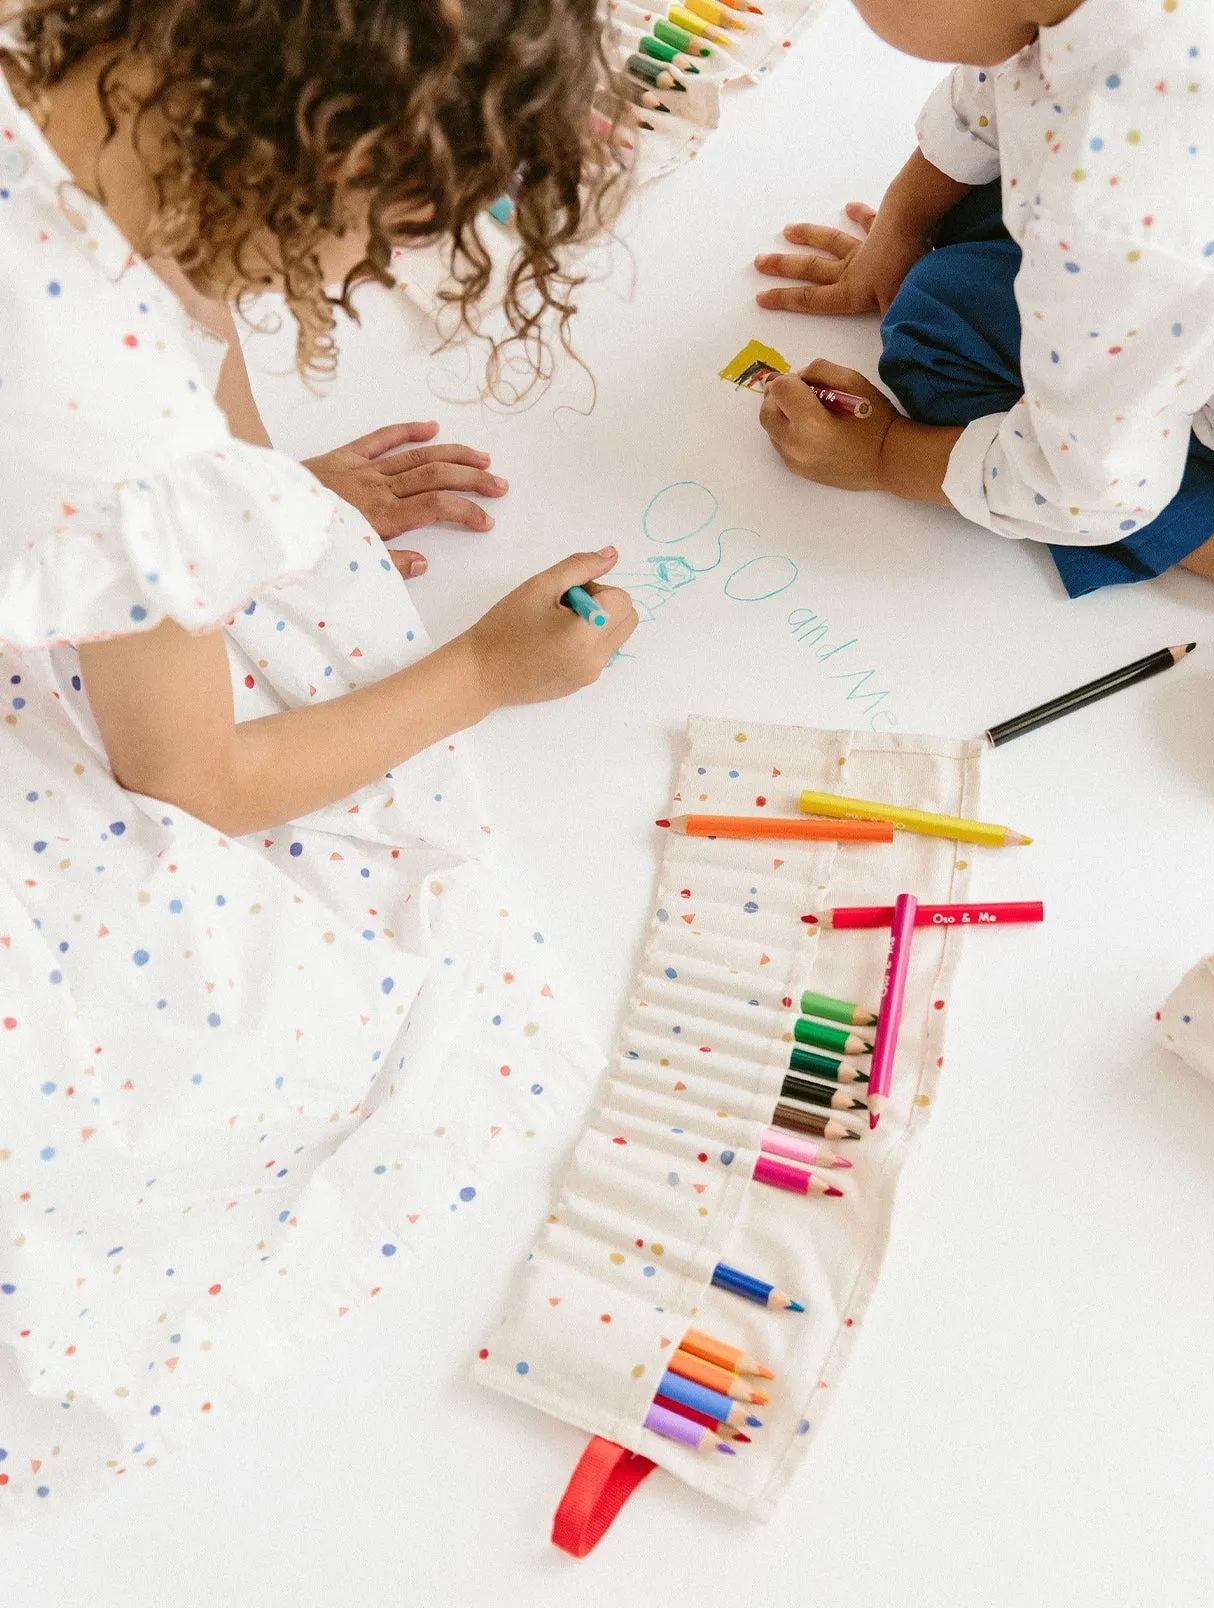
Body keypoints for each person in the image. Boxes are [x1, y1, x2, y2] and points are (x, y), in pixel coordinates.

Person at [0, 0, 634, 1514]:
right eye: (384, 236)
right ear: (320, 164)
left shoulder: (69, 65)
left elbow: (171, 298)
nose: (360, 274)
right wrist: (481, 670)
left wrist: (249, 492)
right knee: (283, 1011)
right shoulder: (104, 412)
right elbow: (194, 785)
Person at [751, 0, 1214, 614]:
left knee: (937, 322)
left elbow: (1089, 490)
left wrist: (885, 455)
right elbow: (1001, 69)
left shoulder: (1119, 210)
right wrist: (904, 218)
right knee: (974, 213)